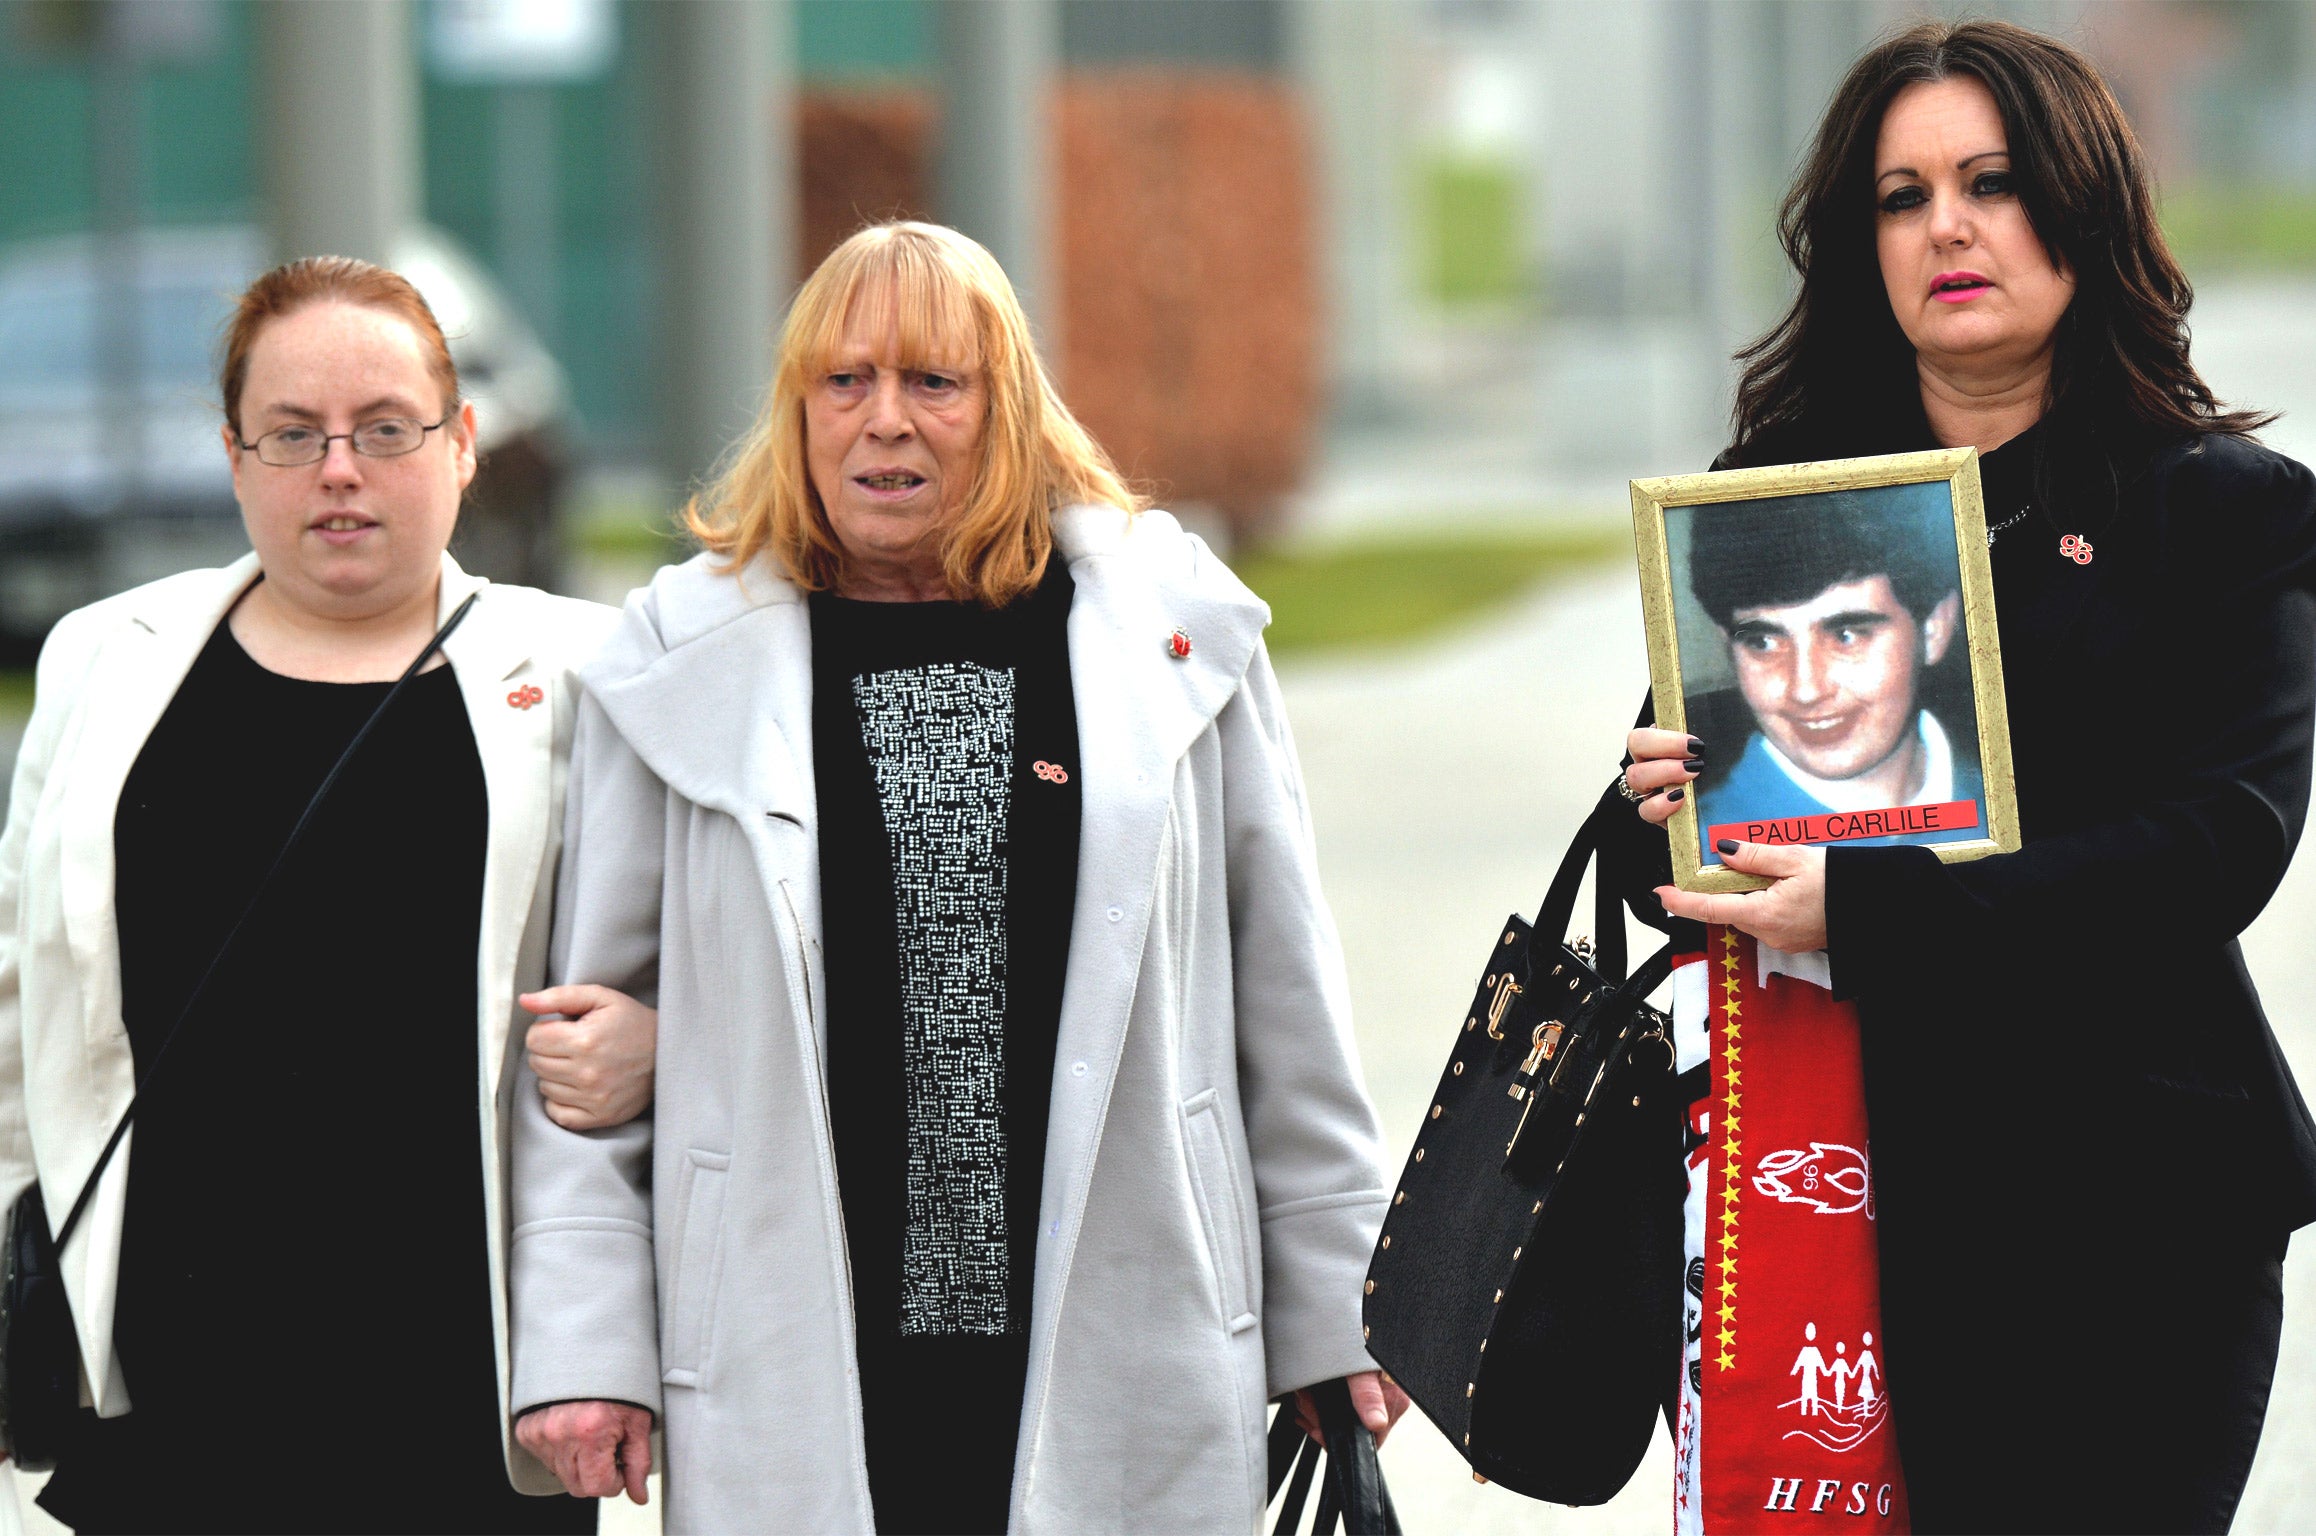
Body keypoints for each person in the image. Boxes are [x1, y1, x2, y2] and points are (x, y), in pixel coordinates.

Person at [506, 221, 1404, 1534]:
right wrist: (587, 1342)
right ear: (796, 409)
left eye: (935, 382)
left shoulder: (1164, 645)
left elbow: (1287, 1006)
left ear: (1006, 407)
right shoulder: (686, 666)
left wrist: (1336, 1304)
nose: (886, 423)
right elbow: (581, 1050)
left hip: (1117, 1316)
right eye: (845, 382)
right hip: (797, 1351)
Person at [1614, 20, 2316, 1533]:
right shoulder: (1773, 504)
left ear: (2086, 208)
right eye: (1901, 193)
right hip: (1837, 1187)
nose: (1947, 225)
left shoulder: (2224, 512)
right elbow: (1694, 869)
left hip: (2135, 1208)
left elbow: (2225, 845)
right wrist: (1653, 798)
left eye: (1994, 182)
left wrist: (1873, 914)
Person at [0, 257, 658, 1534]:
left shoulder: (585, 675)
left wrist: (660, 1045)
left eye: (385, 429)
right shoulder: (108, 662)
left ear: (463, 444)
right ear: (235, 453)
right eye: (293, 435)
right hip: (167, 1405)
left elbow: (733, 947)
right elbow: (26, 1002)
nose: (340, 470)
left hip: (463, 1400)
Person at [1685, 489, 1983, 851]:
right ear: (1728, 648)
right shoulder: (1705, 847)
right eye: (1763, 642)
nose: (1806, 690)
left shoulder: (2015, 814)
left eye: (1846, 636)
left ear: (1934, 627)